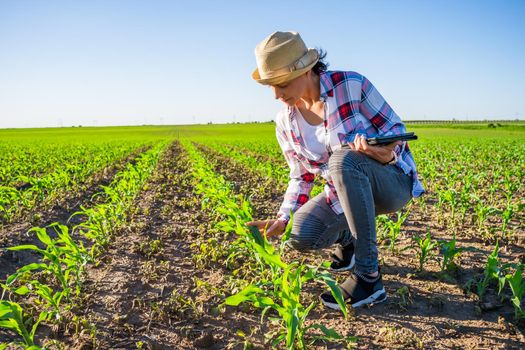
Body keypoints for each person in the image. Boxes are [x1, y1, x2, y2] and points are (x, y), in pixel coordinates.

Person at [246, 31, 424, 309]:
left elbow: (396, 130)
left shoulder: (351, 85)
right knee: (298, 235)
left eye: (281, 83)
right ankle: (349, 242)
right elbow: (301, 176)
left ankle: (368, 277)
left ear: (305, 71)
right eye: (270, 85)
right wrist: (283, 219)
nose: (276, 94)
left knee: (344, 159)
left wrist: (381, 152)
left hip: (390, 182)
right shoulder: (285, 121)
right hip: (341, 195)